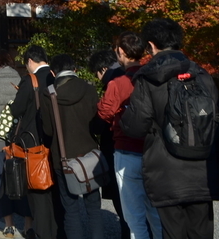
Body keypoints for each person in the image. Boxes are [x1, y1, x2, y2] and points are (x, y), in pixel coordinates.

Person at [121, 18, 219, 239]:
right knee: (201, 232)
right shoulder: (202, 75)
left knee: (172, 232)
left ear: (151, 45)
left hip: (165, 168)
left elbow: (136, 126)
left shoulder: (149, 78)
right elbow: (218, 119)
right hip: (202, 168)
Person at [98, 31, 163, 239]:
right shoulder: (152, 76)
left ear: (121, 52)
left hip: (126, 149)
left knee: (134, 215)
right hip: (153, 148)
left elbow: (105, 112)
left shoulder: (117, 83)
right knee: (155, 212)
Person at [49, 53, 106, 239]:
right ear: (75, 69)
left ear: (53, 72)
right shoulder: (89, 89)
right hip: (89, 156)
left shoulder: (48, 93)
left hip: (63, 158)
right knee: (94, 208)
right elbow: (97, 125)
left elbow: (48, 130)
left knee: (71, 209)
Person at [8, 45, 60, 239]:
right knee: (56, 191)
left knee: (38, 190)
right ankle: (57, 230)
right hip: (55, 141)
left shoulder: (30, 81)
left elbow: (16, 110)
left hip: (33, 142)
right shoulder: (55, 76)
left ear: (30, 61)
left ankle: (42, 233)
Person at [0, 49, 33, 238]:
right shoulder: (21, 80)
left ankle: (8, 224)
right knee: (23, 179)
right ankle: (28, 224)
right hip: (19, 138)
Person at [90, 48, 131, 239]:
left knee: (122, 199)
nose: (98, 79)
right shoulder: (133, 76)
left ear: (103, 69)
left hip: (118, 146)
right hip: (140, 145)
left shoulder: (114, 83)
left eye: (97, 74)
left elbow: (102, 118)